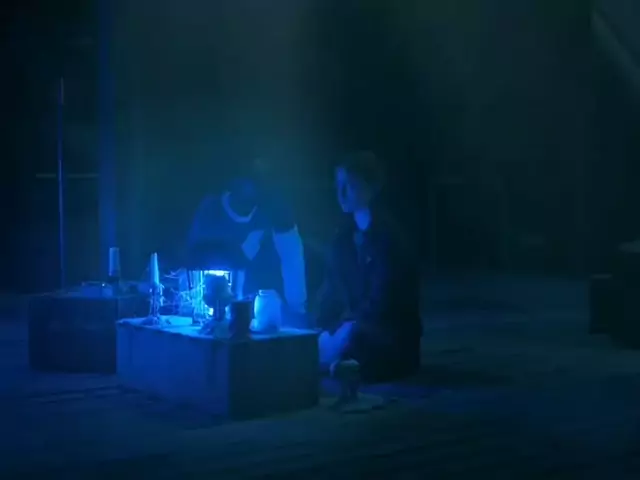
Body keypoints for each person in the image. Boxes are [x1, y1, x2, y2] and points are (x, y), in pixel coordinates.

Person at [316, 151, 422, 382]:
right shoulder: (343, 238)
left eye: (350, 185)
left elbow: (384, 301)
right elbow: (332, 290)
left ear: (369, 188)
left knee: (355, 350)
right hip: (355, 327)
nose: (341, 193)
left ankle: (345, 361)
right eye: (338, 185)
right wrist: (325, 323)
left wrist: (350, 326)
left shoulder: (389, 238)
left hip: (385, 336)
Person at [186, 160, 307, 317]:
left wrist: (297, 309)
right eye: (245, 180)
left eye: (258, 181)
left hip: (265, 309)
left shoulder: (275, 212)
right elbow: (193, 256)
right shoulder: (211, 209)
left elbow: (292, 260)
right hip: (212, 306)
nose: (251, 189)